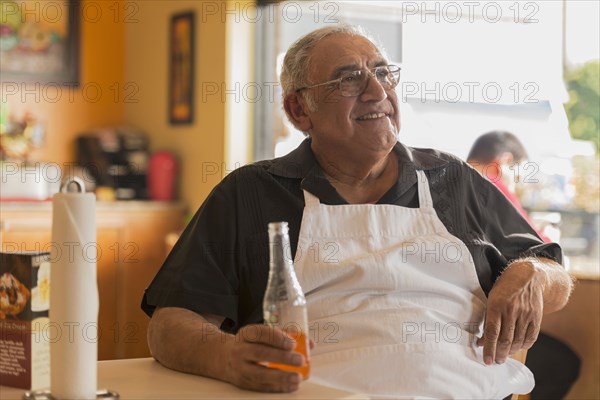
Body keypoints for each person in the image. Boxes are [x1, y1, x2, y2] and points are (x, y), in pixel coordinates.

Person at [142, 25, 573, 399]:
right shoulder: (251, 193)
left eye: (383, 73)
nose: (377, 91)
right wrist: (229, 356)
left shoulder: (452, 179)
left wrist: (530, 273)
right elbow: (170, 325)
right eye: (349, 79)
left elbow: (553, 274)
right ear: (299, 110)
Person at [468, 131, 581, 399]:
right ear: (504, 161)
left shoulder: (444, 186)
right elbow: (542, 251)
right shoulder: (491, 187)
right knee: (562, 365)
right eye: (516, 172)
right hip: (484, 329)